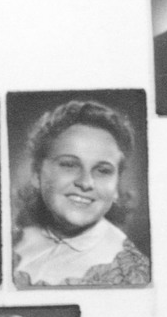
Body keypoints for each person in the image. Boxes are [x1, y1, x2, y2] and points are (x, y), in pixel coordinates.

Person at [11, 98, 152, 288]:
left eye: (103, 171)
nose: (86, 183)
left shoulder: (130, 273)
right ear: (37, 174)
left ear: (116, 186)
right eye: (69, 165)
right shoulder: (14, 240)